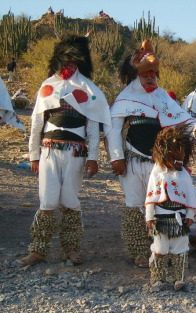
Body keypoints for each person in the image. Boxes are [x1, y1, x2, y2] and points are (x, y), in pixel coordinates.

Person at [104, 39, 196, 268]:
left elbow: (182, 118)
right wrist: (117, 158)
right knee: (134, 205)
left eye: (153, 74)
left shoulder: (163, 97)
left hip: (159, 165)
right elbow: (112, 129)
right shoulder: (124, 99)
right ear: (137, 76)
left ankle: (162, 249)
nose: (150, 78)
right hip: (132, 161)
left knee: (161, 204)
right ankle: (139, 251)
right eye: (146, 75)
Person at [20, 34, 111, 267]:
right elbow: (37, 123)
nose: (70, 63)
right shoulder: (48, 86)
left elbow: (92, 127)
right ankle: (39, 249)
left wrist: (93, 158)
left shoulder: (90, 89)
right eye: (66, 57)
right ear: (59, 57)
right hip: (49, 151)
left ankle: (70, 249)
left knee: (70, 200)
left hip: (76, 153)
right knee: (47, 201)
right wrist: (33, 155)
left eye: (75, 58)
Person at [145, 123, 196, 291]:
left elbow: (190, 195)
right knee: (160, 249)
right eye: (176, 156)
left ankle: (179, 279)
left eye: (182, 156)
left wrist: (190, 213)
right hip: (161, 219)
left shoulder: (184, 176)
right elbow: (151, 196)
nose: (179, 160)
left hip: (179, 219)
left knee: (180, 248)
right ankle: (158, 279)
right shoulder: (157, 173)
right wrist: (149, 217)